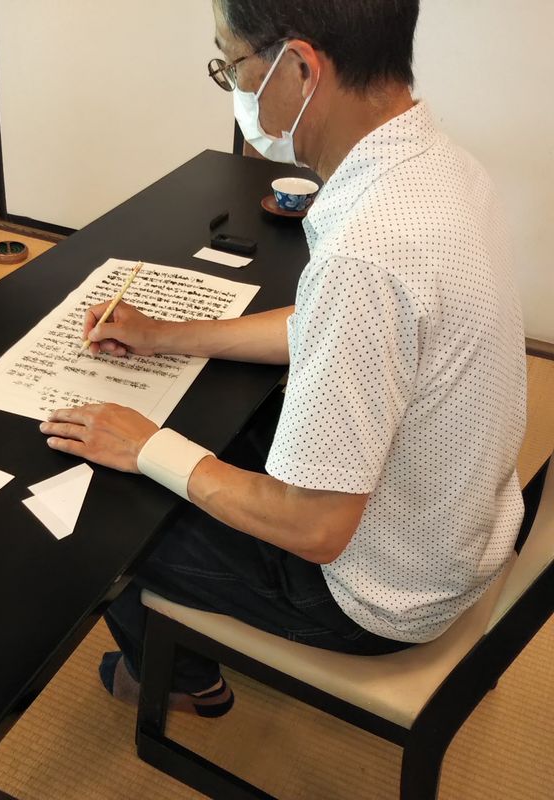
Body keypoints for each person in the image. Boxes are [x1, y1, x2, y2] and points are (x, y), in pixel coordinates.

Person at [39, 0, 527, 717]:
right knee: (208, 432)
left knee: (105, 510)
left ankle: (177, 676)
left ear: (300, 67)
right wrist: (166, 334)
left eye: (232, 64)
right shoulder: (438, 168)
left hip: (377, 593)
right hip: (455, 531)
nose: (232, 84)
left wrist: (146, 446)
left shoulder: (368, 253)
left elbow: (316, 529)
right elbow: (322, 327)